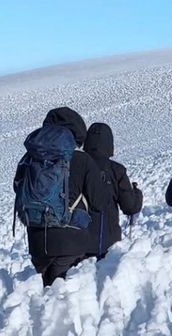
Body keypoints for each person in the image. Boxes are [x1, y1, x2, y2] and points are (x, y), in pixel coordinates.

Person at [14, 107, 107, 287]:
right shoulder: (82, 159)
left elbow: (17, 187)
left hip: (37, 243)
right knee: (67, 297)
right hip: (73, 242)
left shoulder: (29, 159)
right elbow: (99, 202)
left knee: (47, 295)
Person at [83, 122, 144, 256]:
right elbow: (130, 207)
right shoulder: (116, 170)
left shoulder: (75, 165)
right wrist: (137, 193)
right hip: (108, 243)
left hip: (77, 242)